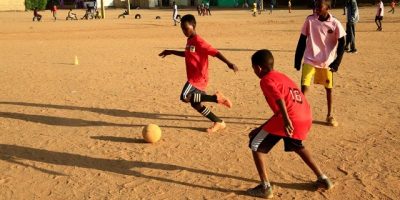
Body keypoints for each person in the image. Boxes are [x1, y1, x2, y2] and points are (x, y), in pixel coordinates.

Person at [247, 49, 333, 198]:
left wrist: (286, 120)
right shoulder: (281, 76)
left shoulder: (266, 80)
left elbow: (279, 99)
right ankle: (323, 179)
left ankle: (265, 187)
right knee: (297, 146)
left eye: (253, 68)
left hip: (289, 117)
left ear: (259, 68)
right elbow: (282, 106)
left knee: (255, 145)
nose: (254, 71)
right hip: (304, 115)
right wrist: (264, 126)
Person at [159, 14, 238, 133]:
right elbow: (187, 54)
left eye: (186, 28)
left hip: (198, 78)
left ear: (193, 26)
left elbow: (215, 52)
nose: (184, 31)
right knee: (195, 104)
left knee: (185, 96)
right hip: (195, 77)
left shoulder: (199, 41)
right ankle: (219, 122)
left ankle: (216, 98)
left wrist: (229, 63)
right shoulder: (190, 40)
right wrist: (170, 51)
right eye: (182, 29)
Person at [294, 0, 346, 127]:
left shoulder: (335, 23)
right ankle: (302, 114)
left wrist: (337, 62)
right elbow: (302, 40)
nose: (316, 8)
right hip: (309, 59)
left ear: (328, 7)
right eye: (315, 5)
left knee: (328, 89)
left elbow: (342, 43)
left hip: (326, 62)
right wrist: (297, 59)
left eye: (319, 6)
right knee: (304, 86)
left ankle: (330, 114)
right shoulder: (310, 20)